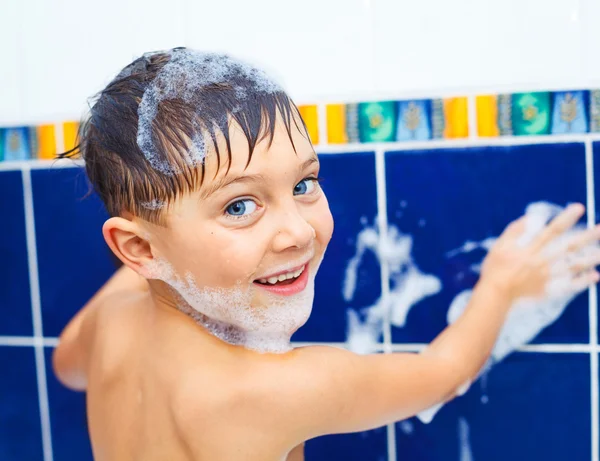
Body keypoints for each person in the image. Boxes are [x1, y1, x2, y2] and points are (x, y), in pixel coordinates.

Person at [53, 47, 600, 461]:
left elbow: (67, 367)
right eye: (240, 206)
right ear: (138, 247)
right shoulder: (276, 388)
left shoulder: (109, 325)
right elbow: (443, 372)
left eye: (303, 184)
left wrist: (156, 259)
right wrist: (504, 284)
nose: (296, 231)